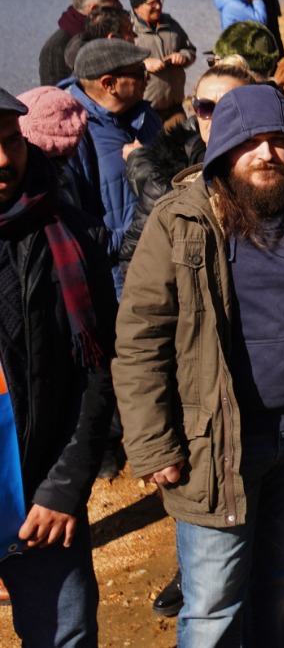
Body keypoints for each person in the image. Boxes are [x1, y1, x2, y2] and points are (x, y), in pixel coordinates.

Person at [116, 85, 284, 648]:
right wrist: (154, 445)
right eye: (249, 141)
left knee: (282, 582)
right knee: (211, 605)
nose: (265, 153)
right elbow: (140, 338)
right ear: (222, 151)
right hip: (213, 444)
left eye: (279, 140)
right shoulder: (180, 221)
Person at [0, 87, 118, 646]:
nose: (2, 161)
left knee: (64, 634)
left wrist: (64, 487)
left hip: (41, 490)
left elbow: (98, 373)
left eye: (8, 144)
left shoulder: (73, 233)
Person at [63, 39, 162, 267]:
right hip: (117, 278)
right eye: (140, 72)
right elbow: (77, 226)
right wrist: (134, 242)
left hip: (160, 260)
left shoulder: (147, 116)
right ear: (109, 84)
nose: (147, 78)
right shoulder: (74, 133)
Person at [128, 0, 197, 123]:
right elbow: (117, 63)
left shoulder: (172, 24)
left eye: (160, 1)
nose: (158, 6)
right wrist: (143, 64)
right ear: (136, 7)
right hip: (143, 110)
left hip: (175, 108)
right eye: (152, 3)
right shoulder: (127, 29)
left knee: (185, 143)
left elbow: (190, 50)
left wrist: (183, 56)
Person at [40, 0, 119, 87]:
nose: (121, 6)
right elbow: (54, 97)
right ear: (94, 9)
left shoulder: (109, 35)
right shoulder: (56, 48)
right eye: (115, 2)